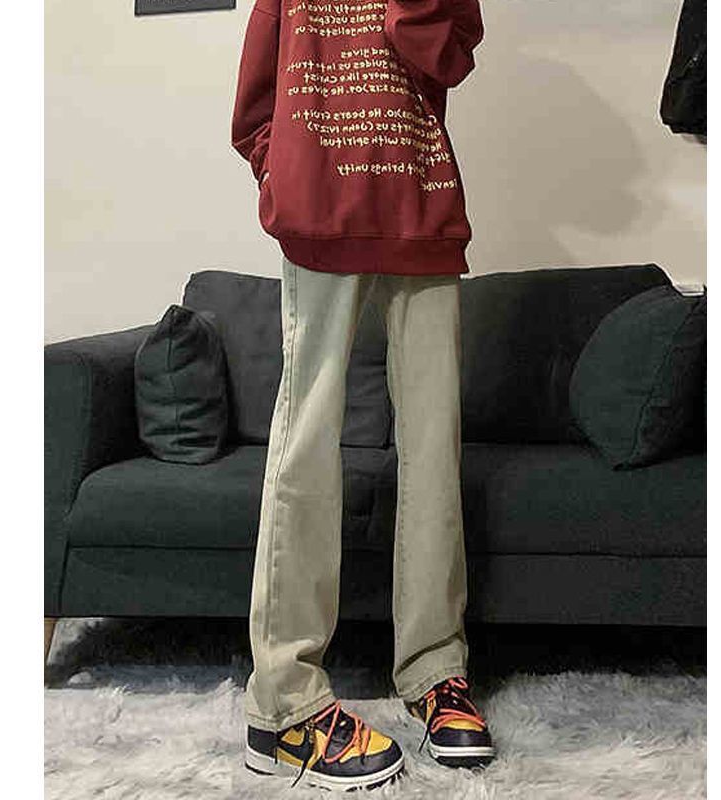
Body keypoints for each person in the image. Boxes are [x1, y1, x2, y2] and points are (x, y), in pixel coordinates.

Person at [230, 0, 491, 790]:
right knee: (305, 441)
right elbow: (254, 105)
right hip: (320, 212)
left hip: (420, 206)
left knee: (435, 446)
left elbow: (448, 57)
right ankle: (285, 703)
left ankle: (435, 671)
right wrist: (284, 172)